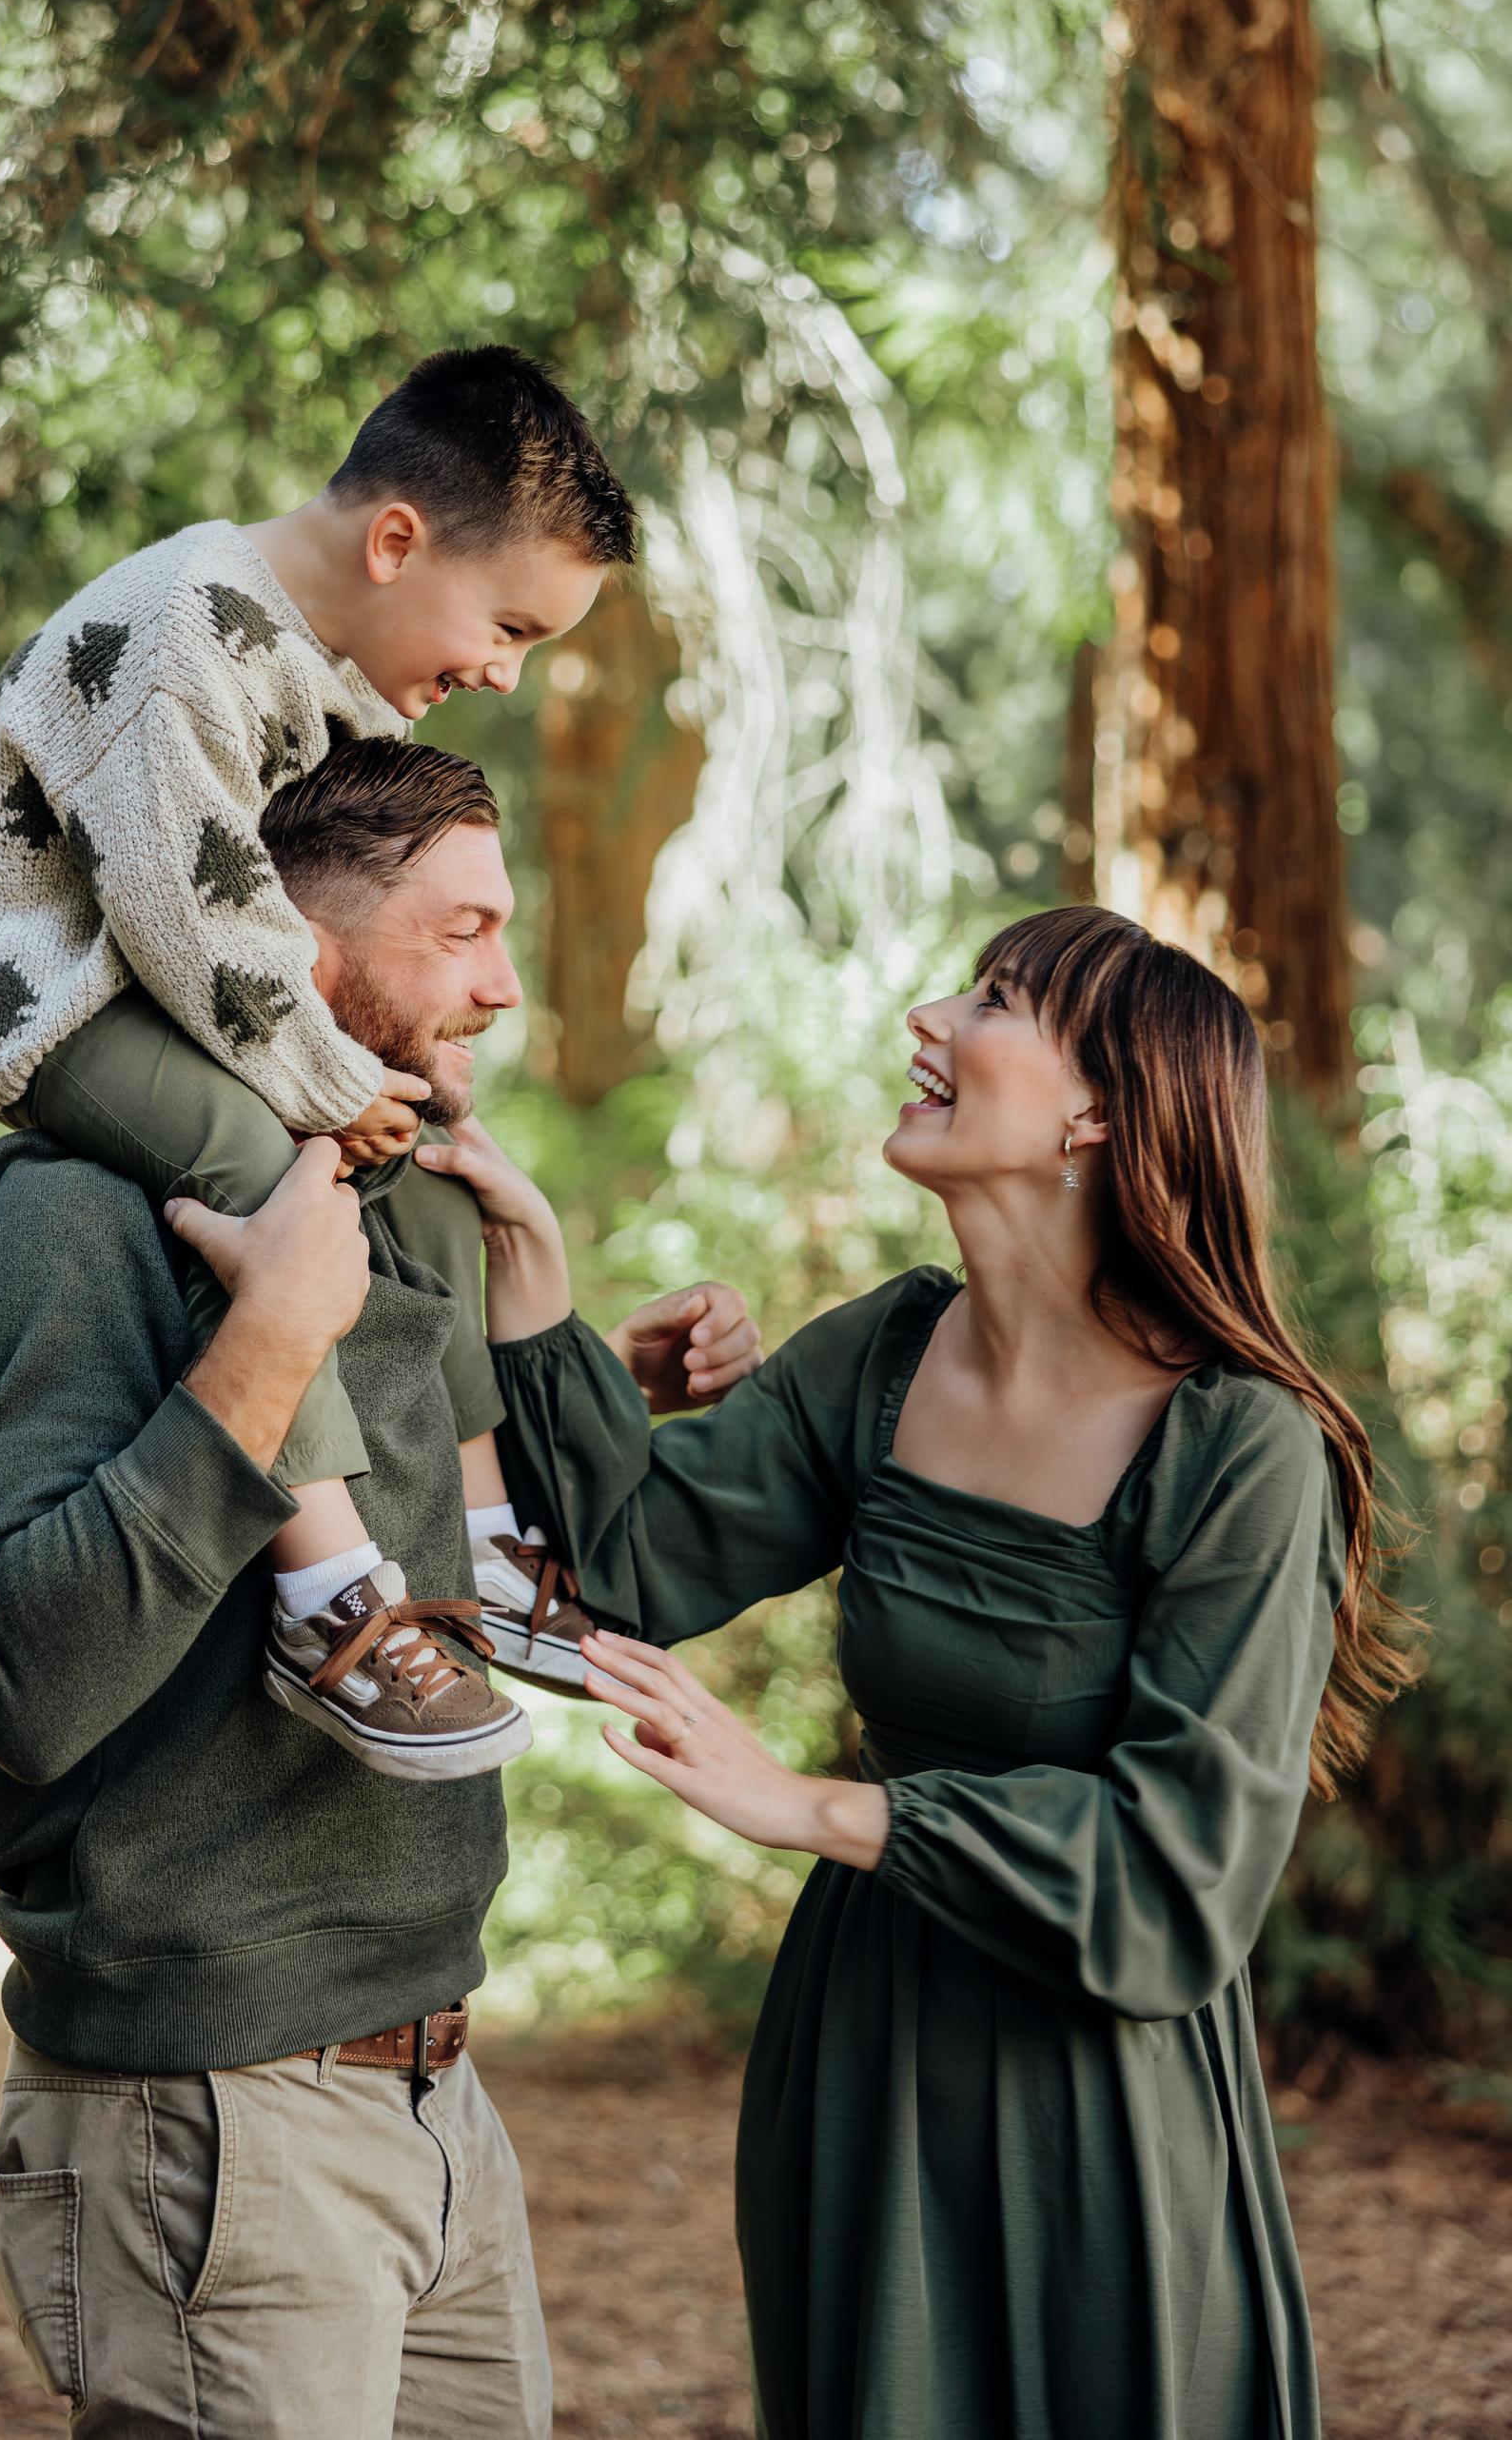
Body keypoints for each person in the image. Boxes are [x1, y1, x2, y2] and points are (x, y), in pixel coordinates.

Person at [432, 903, 1414, 2440]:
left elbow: (1181, 1881)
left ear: (1100, 1106)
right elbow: (616, 1569)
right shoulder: (887, 1355)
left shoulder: (1242, 1449)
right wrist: (532, 1279)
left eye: (998, 998)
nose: (928, 1016)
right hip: (863, 2053)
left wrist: (817, 1810)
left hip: (1095, 2093)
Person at [0, 733, 759, 2439]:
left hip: (431, 2088)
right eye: (461, 931)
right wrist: (263, 1352)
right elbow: (20, 1679)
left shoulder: (370, 1209)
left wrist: (591, 1355)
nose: (506, 982)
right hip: (213, 2121)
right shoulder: (60, 1225)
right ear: (292, 945)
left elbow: (487, 1562)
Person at [0, 347, 637, 1771]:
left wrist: (405, 1083)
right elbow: (198, 921)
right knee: (269, 1170)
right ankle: (326, 1591)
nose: (504, 671)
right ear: (395, 541)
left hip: (192, 1002)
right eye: (509, 624)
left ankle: (489, 1540)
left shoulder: (339, 673)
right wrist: (329, 1086)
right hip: (68, 1003)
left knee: (430, 1156)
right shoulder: (185, 630)